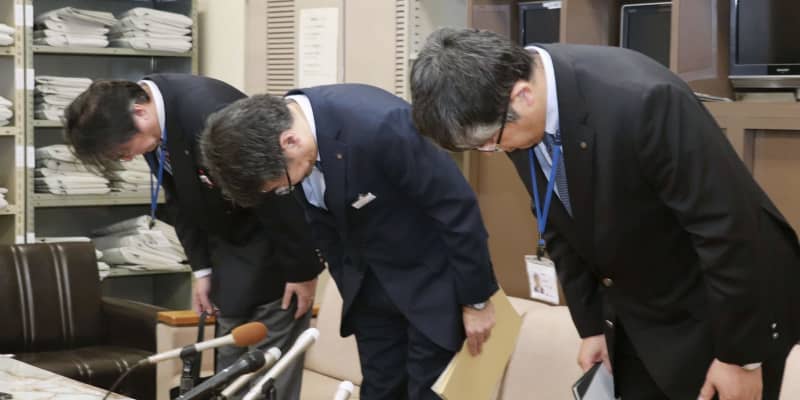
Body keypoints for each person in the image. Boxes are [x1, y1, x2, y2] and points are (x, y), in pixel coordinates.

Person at [409, 27, 800, 400]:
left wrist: (741, 357)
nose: (493, 152)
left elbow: (727, 229)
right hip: (641, 308)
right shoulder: (514, 109)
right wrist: (592, 326)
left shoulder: (644, 100)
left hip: (724, 309)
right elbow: (561, 222)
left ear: (522, 96)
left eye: (490, 143)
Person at [200, 84, 499, 400]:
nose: (285, 190)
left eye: (282, 187)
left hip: (432, 289)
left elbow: (456, 207)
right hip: (370, 296)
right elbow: (323, 225)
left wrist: (477, 299)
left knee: (429, 394)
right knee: (379, 392)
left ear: (290, 141)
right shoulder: (284, 138)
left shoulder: (381, 124)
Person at [65, 74, 323, 400]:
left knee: (270, 376)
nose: (127, 159)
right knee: (231, 374)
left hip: (275, 249)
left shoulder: (210, 110)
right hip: (228, 254)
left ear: (139, 113)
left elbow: (278, 189)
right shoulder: (153, 127)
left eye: (123, 151)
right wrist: (201, 268)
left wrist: (302, 270)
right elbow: (179, 199)